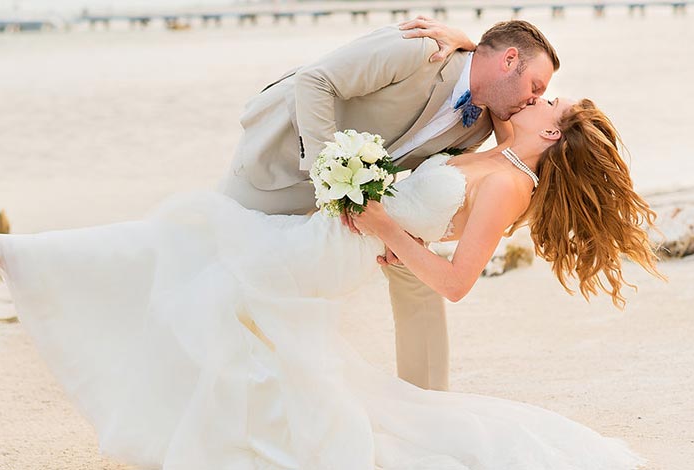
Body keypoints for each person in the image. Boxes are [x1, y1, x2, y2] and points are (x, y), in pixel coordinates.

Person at [0, 97, 660, 468]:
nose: (538, 99)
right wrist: (392, 233)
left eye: (548, 104)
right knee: (195, 246)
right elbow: (425, 222)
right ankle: (22, 257)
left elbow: (455, 284)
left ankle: (21, 257)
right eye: (542, 93)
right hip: (331, 242)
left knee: (190, 244)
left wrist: (387, 233)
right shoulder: (493, 154)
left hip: (331, 256)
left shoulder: (511, 183)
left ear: (551, 135)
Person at [220, 18, 560, 391]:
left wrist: (407, 238)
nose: (534, 99)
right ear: (509, 60)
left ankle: (428, 399)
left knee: (415, 276)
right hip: (280, 156)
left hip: (363, 197)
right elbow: (315, 81)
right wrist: (331, 180)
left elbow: (461, 172)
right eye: (535, 87)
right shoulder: (418, 51)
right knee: (223, 258)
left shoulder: (479, 124)